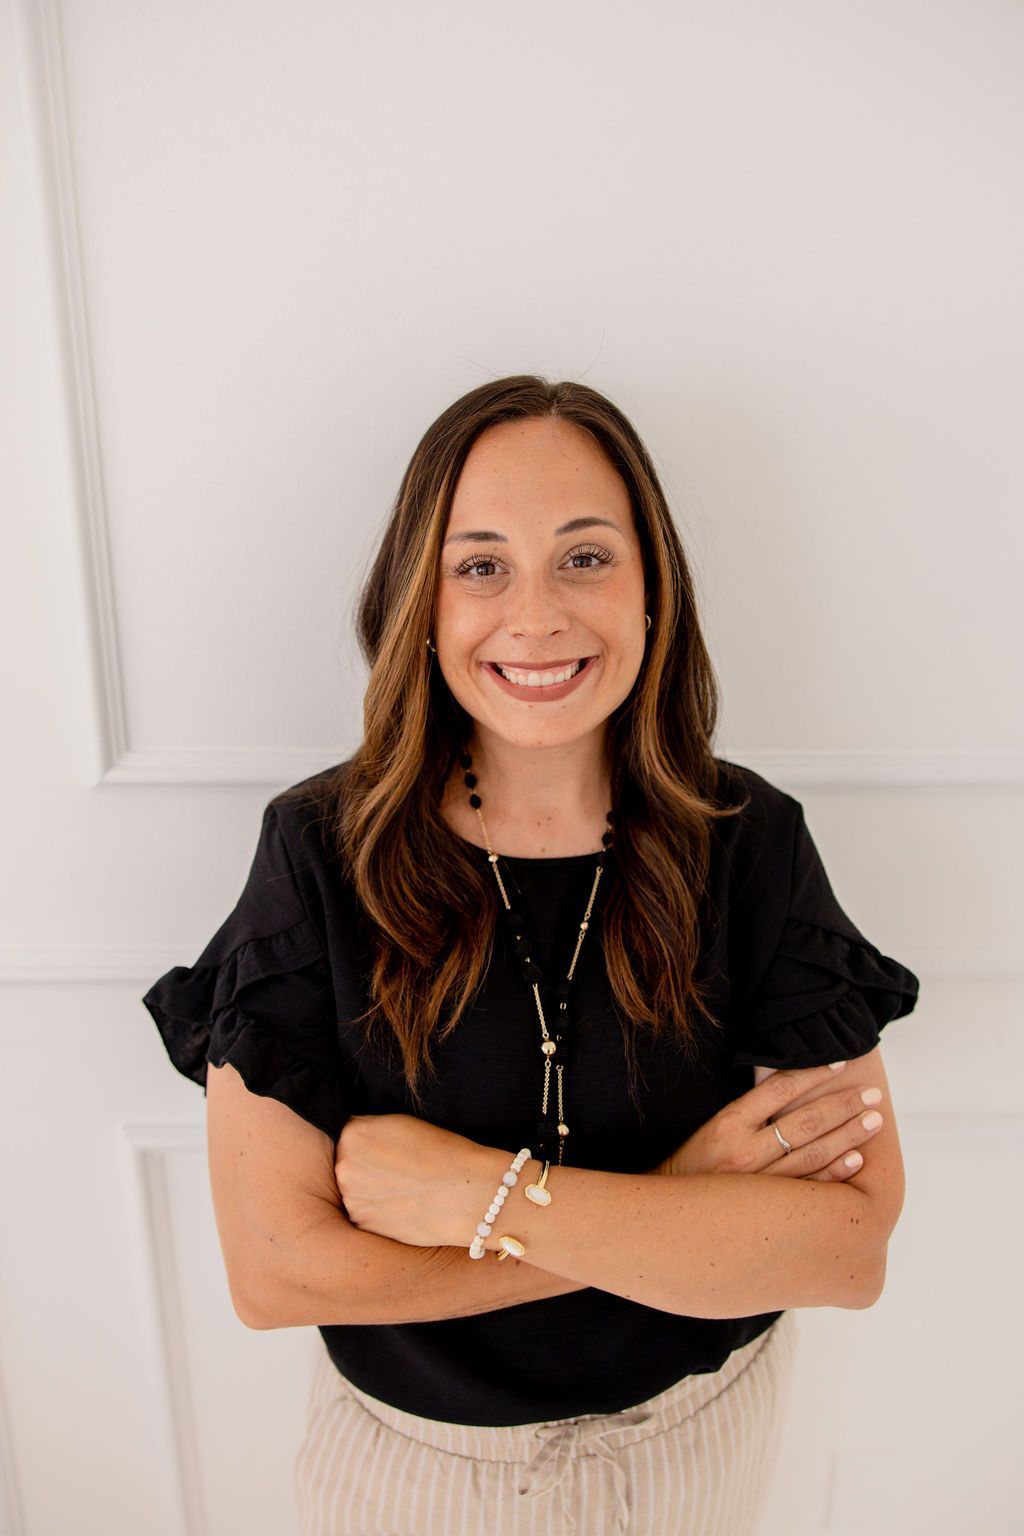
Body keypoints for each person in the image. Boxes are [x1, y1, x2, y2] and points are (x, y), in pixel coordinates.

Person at [141, 376, 920, 1535]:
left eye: (585, 558)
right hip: (415, 1472)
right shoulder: (317, 852)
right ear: (419, 599)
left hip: (699, 1444)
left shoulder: (749, 841)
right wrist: (677, 1209)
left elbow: (846, 1251)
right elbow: (277, 1274)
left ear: (652, 590)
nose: (538, 615)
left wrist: (479, 1198)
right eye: (481, 565)